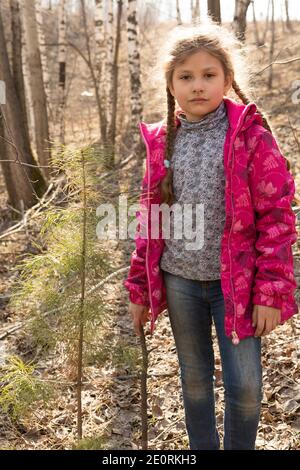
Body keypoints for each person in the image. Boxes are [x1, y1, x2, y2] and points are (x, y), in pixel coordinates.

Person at [123, 21, 299, 450]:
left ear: (227, 78)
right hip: (180, 282)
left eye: (208, 75)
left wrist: (271, 292)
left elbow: (277, 217)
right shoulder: (164, 141)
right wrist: (141, 288)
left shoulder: (250, 137)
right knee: (196, 381)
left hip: (235, 286)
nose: (197, 85)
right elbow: (152, 218)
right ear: (170, 83)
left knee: (245, 387)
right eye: (185, 76)